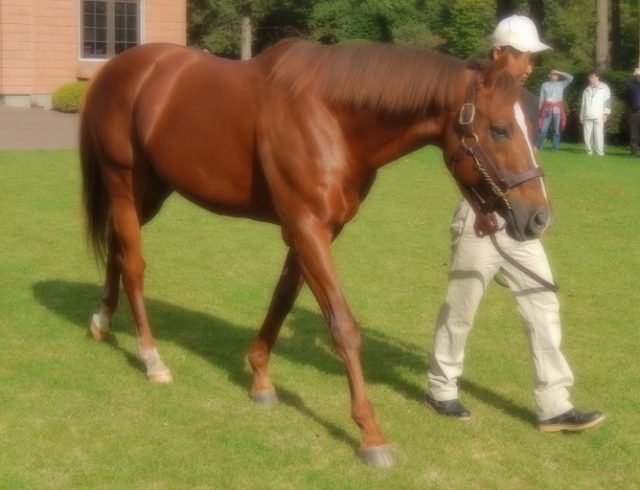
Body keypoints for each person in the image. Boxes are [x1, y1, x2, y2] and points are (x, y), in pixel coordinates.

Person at [426, 15, 604, 432]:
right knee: (462, 306)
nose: (530, 66)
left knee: (542, 300)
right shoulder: (470, 97)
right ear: (498, 54)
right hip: (480, 216)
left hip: (518, 219)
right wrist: (483, 209)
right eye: (525, 56)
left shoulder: (525, 101)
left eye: (533, 58)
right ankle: (441, 388)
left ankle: (554, 403)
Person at [537, 68, 574, 152]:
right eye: (554, 74)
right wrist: (540, 110)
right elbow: (541, 98)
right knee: (543, 129)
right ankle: (539, 147)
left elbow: (571, 78)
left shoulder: (561, 84)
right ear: (549, 75)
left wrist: (560, 72)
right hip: (547, 109)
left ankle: (554, 149)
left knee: (557, 130)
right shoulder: (544, 85)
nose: (556, 75)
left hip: (557, 109)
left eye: (557, 74)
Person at [580, 71, 611, 156]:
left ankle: (599, 151)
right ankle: (589, 150)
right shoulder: (587, 89)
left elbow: (607, 101)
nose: (590, 79)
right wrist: (581, 116)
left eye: (592, 77)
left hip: (599, 114)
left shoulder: (604, 87)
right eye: (589, 77)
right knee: (587, 134)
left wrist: (606, 113)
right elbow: (583, 103)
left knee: (599, 134)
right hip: (587, 114)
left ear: (597, 77)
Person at [626, 68, 640, 158]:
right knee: (633, 134)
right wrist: (634, 73)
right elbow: (627, 81)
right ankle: (634, 153)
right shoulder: (634, 87)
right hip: (634, 114)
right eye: (638, 77)